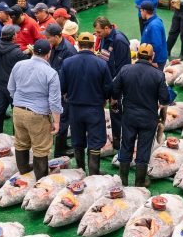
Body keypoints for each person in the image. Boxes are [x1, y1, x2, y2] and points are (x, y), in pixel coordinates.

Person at [112, 44, 169, 186]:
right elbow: (164, 100)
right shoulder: (158, 75)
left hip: (129, 116)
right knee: (144, 149)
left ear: (137, 55)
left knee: (126, 146)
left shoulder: (125, 70)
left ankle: (123, 182)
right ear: (152, 56)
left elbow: (114, 91)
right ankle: (139, 183)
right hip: (148, 118)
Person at [8, 39, 62, 180]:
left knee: (20, 142)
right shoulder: (51, 73)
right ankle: (40, 181)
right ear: (48, 54)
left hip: (18, 110)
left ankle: (24, 170)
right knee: (40, 148)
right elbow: (54, 101)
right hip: (38, 114)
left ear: (33, 51)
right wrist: (56, 122)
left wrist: (19, 102)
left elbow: (11, 88)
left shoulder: (18, 65)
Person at [60, 32, 113, 174]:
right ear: (91, 45)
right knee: (95, 142)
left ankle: (80, 170)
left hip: (75, 109)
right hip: (94, 109)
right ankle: (94, 173)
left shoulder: (67, 62)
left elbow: (62, 87)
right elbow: (108, 88)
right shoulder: (101, 64)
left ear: (78, 44)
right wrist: (104, 99)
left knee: (77, 140)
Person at [95, 16, 130, 149]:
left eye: (99, 32)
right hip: (108, 81)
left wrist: (114, 90)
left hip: (117, 84)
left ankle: (120, 143)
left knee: (116, 112)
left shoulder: (119, 41)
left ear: (107, 28)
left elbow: (122, 68)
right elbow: (106, 58)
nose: (97, 35)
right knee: (113, 111)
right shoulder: (105, 38)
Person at [45, 23, 76, 157]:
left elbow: (71, 74)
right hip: (55, 89)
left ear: (58, 36)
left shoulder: (69, 51)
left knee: (63, 120)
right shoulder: (55, 46)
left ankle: (59, 150)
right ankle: (62, 145)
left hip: (64, 92)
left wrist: (65, 92)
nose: (47, 39)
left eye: (49, 37)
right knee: (61, 118)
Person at [140, 1, 168, 70]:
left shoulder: (154, 25)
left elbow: (157, 45)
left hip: (156, 61)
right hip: (152, 58)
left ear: (145, 11)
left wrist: (154, 61)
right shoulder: (152, 22)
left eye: (141, 11)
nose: (140, 13)